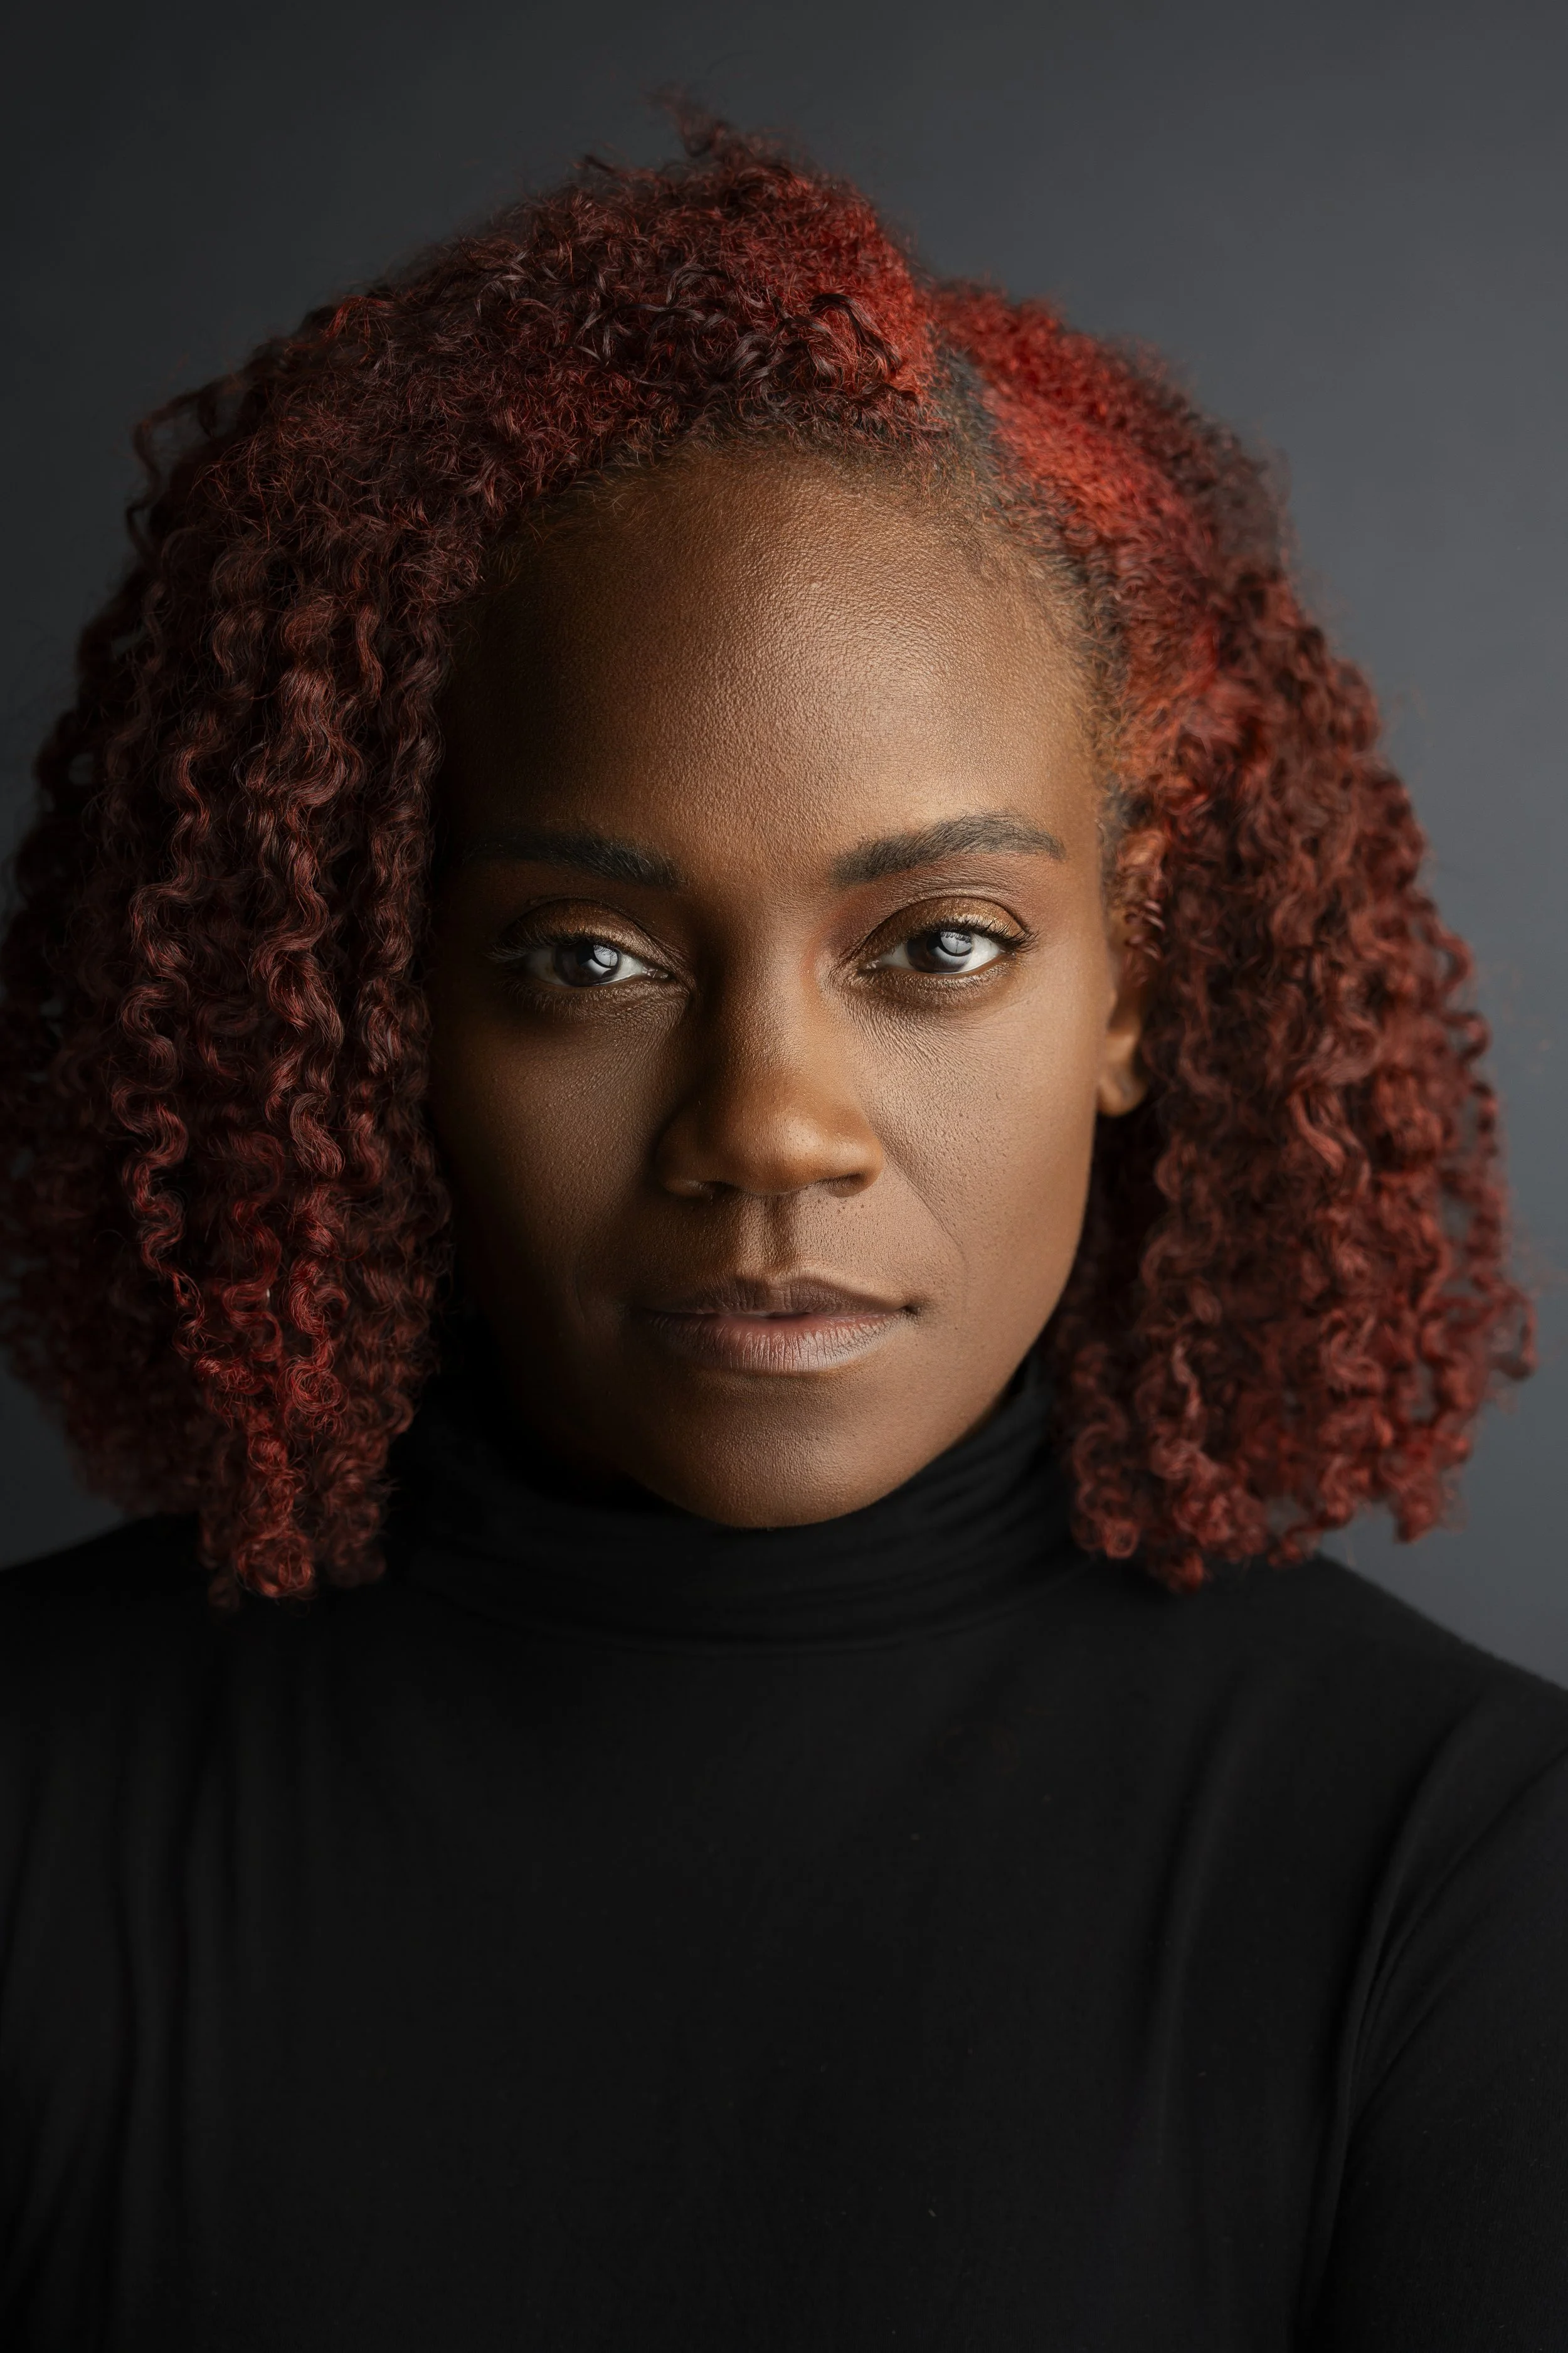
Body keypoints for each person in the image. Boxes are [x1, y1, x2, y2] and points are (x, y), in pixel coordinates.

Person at [0, 120, 1563, 2351]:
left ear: (1126, 985)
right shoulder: (40, 1808)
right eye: (586, 960)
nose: (766, 1134)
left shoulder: (1465, 1883)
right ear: (376, 1006)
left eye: (933, 943)